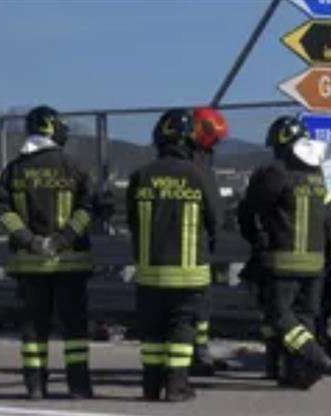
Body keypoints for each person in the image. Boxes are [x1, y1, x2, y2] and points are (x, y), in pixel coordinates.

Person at [0, 105, 95, 399]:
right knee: (74, 329)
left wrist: (29, 240)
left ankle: (35, 386)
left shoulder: (14, 169)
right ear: (53, 129)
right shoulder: (75, 166)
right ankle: (79, 387)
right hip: (70, 265)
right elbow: (89, 209)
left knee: (33, 331)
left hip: (29, 266)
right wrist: (63, 240)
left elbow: (0, 212)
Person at [126, 109, 222, 402]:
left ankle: (151, 386)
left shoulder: (141, 175)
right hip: (189, 272)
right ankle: (177, 386)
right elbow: (216, 217)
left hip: (149, 271)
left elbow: (131, 220)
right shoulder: (199, 174)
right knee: (181, 329)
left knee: (153, 333)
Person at [238, 115, 331, 389]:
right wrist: (330, 254)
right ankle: (299, 374)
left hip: (282, 261)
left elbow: (250, 210)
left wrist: (256, 238)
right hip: (316, 263)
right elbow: (329, 221)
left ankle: (314, 356)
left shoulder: (275, 172)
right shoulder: (318, 177)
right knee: (304, 319)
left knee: (278, 317)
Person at [188, 107, 228, 377]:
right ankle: (197, 353)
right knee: (199, 302)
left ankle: (196, 351)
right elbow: (214, 208)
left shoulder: (193, 158)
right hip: (195, 243)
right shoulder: (197, 164)